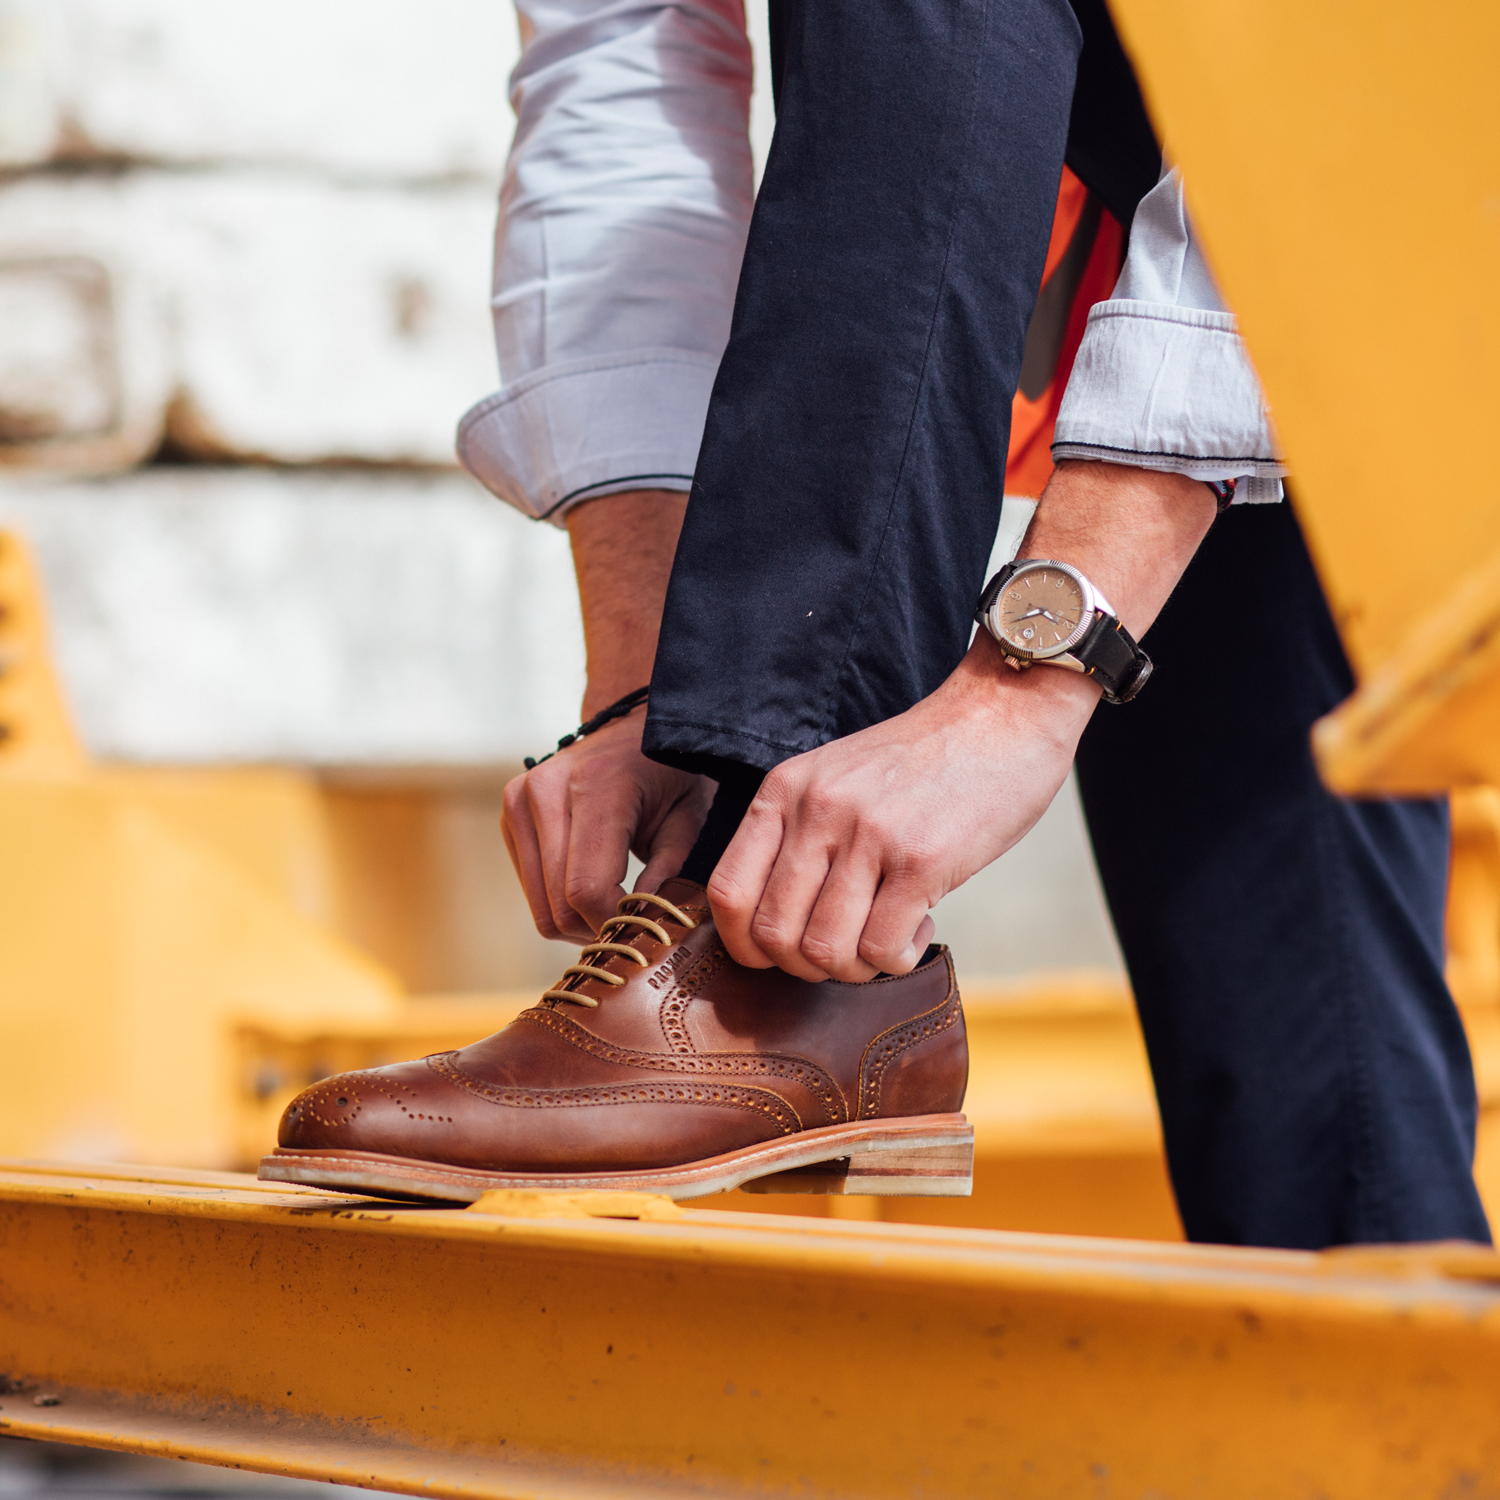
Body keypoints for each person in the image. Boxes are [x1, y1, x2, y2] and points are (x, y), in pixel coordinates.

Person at [263, 0, 1491, 1249]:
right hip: (1243, 206)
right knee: (1322, 1109)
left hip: (1406, 145)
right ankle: (1388, 1344)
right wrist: (649, 686)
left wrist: (1021, 691)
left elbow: (1355, 81)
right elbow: (623, 79)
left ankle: (775, 977)